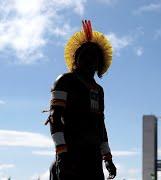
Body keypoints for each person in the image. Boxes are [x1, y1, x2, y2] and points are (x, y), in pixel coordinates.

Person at [45, 20, 116, 180]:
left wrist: (107, 157)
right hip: (70, 155)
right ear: (75, 58)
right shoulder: (64, 81)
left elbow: (100, 124)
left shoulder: (99, 90)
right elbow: (55, 118)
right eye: (85, 54)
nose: (89, 59)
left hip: (93, 158)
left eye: (94, 56)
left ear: (100, 63)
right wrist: (62, 151)